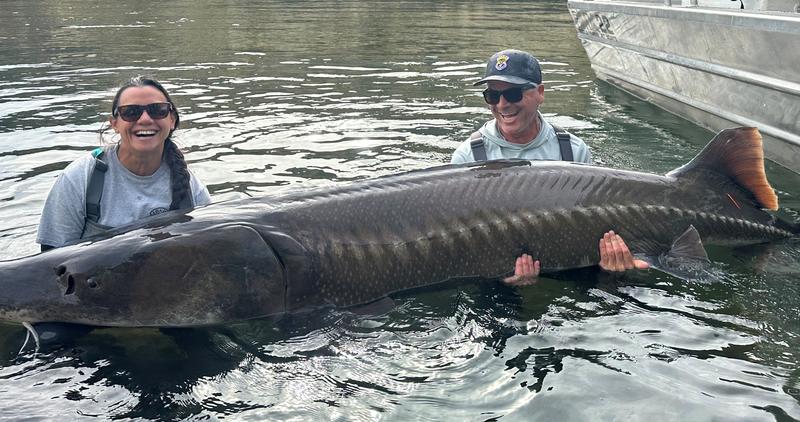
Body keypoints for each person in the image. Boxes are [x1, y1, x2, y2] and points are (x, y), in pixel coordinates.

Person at [452, 50, 647, 285]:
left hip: (568, 257)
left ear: (540, 93)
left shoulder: (572, 150)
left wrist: (611, 264)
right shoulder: (468, 156)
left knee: (618, 288)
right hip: (500, 269)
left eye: (513, 94)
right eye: (492, 96)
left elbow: (594, 220)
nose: (503, 104)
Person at [37, 76, 211, 251]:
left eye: (158, 110)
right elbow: (49, 260)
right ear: (114, 124)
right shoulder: (79, 178)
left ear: (172, 120)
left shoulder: (191, 187)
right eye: (130, 112)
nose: (145, 119)